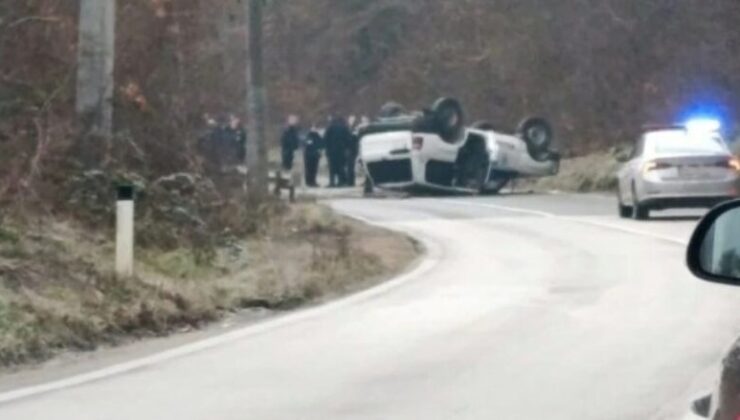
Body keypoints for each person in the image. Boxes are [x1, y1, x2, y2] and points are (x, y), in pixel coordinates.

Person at [324, 115, 352, 187]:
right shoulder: (344, 128)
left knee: (332, 167)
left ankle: (332, 182)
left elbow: (326, 139)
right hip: (341, 150)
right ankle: (340, 182)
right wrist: (347, 148)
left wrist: (327, 149)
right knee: (341, 166)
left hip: (332, 150)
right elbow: (348, 139)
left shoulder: (330, 127)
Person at [345, 116, 361, 187]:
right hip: (349, 149)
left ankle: (351, 181)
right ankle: (349, 181)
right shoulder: (347, 128)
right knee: (349, 166)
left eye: (352, 120)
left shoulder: (354, 129)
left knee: (351, 166)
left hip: (353, 149)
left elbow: (356, 139)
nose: (351, 121)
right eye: (350, 120)